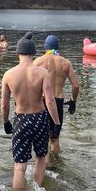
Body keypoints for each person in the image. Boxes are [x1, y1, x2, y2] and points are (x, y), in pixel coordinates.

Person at [1, 32, 61, 189]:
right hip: (40, 118)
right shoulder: (42, 73)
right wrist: (56, 122)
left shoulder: (8, 74)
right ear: (33, 53)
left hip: (20, 119)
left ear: (18, 53)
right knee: (41, 157)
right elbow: (49, 100)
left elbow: (4, 104)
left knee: (20, 165)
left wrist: (6, 121)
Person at [33, 34, 79, 162]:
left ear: (45, 47)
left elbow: (30, 82)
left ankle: (43, 167)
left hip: (42, 101)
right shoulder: (66, 63)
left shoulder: (38, 61)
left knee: (42, 137)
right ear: (58, 47)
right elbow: (75, 85)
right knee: (55, 138)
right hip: (58, 101)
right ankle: (56, 164)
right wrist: (73, 101)